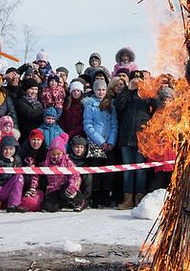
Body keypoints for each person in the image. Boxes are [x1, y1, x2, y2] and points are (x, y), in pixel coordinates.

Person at [114, 71, 158, 210]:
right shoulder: (127, 93)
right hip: (126, 136)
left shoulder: (147, 94)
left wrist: (148, 89)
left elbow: (158, 106)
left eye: (140, 78)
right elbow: (118, 105)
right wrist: (128, 89)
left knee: (140, 169)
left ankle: (139, 199)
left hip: (142, 137)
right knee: (127, 169)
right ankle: (128, 199)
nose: (137, 81)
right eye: (135, 78)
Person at [83, 78, 118, 208]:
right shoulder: (90, 105)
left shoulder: (111, 105)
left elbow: (114, 125)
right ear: (94, 90)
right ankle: (96, 198)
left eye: (103, 89)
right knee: (96, 172)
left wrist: (110, 141)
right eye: (99, 89)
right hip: (95, 142)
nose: (101, 92)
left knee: (108, 171)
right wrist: (100, 141)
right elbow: (88, 125)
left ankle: (106, 196)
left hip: (109, 143)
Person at [42, 135, 86, 212]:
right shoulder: (46, 163)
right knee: (50, 208)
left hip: (67, 187)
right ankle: (61, 203)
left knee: (67, 192)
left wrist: (72, 186)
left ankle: (80, 201)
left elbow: (75, 176)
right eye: (53, 154)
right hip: (54, 189)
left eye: (58, 154)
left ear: (63, 153)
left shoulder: (68, 162)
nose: (56, 156)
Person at [15, 77, 43, 143]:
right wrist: (46, 115)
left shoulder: (39, 101)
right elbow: (31, 115)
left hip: (38, 133)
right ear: (26, 89)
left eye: (36, 89)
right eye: (31, 89)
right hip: (27, 133)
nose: (34, 92)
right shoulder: (21, 101)